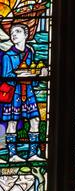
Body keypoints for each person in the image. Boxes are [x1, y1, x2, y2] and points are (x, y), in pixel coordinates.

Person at [1, 24, 44, 162]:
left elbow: (32, 76)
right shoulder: (8, 56)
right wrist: (19, 76)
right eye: (12, 32)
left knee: (35, 120)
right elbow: (6, 76)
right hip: (15, 94)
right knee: (12, 122)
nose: (13, 35)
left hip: (29, 92)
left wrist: (40, 75)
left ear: (26, 35)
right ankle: (13, 155)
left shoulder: (30, 53)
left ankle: (32, 154)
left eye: (18, 32)